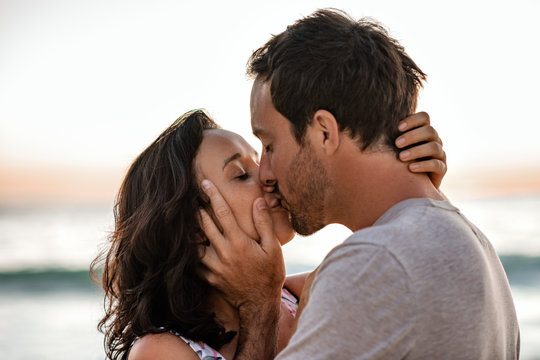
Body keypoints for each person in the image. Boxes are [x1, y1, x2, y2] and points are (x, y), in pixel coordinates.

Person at [199, 9, 520, 359]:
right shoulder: (466, 238)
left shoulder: (374, 265)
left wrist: (260, 308)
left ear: (324, 132)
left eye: (270, 146)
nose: (266, 174)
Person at [91, 107, 448, 360]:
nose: (267, 175)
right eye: (241, 174)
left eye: (260, 160)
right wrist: (258, 306)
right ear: (192, 229)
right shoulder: (160, 352)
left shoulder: (308, 292)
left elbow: (424, 266)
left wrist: (414, 186)